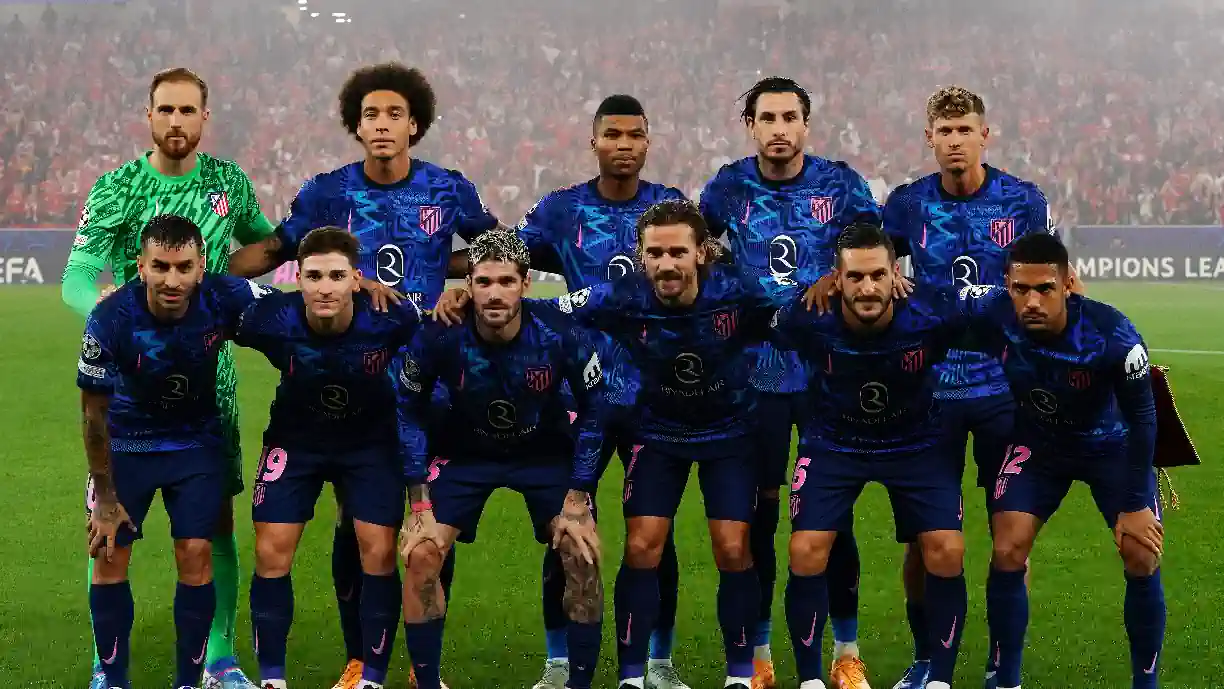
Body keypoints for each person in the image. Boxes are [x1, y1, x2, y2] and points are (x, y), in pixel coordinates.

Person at [227, 62, 498, 689]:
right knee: (356, 527)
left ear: (415, 125)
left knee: (430, 528)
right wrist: (203, 271)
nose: (382, 125)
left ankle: (419, 663)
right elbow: (276, 249)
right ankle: (360, 657)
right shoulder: (329, 192)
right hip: (340, 381)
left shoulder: (448, 189)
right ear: (356, 124)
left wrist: (453, 282)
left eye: (395, 115)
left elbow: (490, 248)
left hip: (422, 382)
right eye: (371, 115)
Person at [436, 93, 690, 689]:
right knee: (566, 533)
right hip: (580, 394)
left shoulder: (672, 211)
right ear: (593, 141)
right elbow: (500, 257)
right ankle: (558, 663)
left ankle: (658, 661)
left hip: (658, 395)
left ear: (648, 142)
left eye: (635, 134)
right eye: (613, 134)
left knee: (654, 534)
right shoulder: (560, 210)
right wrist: (459, 288)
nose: (624, 144)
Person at [64, 67, 276, 689]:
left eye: (188, 110)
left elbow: (267, 244)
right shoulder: (118, 187)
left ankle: (219, 656)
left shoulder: (227, 183)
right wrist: (114, 318)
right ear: (148, 115)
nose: (177, 121)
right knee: (109, 531)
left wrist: (236, 285)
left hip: (212, 389)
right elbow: (78, 274)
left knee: (212, 526)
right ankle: (108, 668)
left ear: (205, 117)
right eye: (166, 110)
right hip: (131, 386)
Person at [551, 199, 785, 689]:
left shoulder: (738, 291)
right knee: (642, 546)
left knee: (732, 547)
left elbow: (797, 312)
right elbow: (551, 311)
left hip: (730, 433)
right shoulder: (622, 296)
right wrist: (468, 303)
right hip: (657, 432)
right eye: (655, 253)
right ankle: (633, 677)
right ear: (641, 256)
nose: (666, 264)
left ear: (702, 253)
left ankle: (740, 675)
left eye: (678, 252)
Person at [699, 76, 883, 689]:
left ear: (806, 124)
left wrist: (839, 276)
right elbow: (699, 252)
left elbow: (875, 255)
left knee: (833, 515)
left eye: (790, 117)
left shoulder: (842, 185)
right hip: (754, 377)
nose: (779, 128)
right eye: (767, 118)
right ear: (749, 125)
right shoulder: (727, 187)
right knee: (761, 512)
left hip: (831, 373)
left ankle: (846, 651)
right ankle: (760, 654)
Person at [877, 85, 1055, 689]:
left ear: (986, 135)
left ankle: (1005, 669)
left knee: (1011, 538)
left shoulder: (1024, 202)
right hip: (925, 393)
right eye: (944, 132)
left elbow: (1059, 287)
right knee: (928, 541)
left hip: (1007, 391)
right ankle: (927, 659)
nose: (955, 142)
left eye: (965, 131)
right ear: (929, 137)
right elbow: (874, 272)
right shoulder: (904, 205)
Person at [396, 230, 616, 689]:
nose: (494, 293)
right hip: (465, 453)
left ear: (526, 284)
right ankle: (427, 682)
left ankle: (576, 683)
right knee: (421, 554)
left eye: (506, 282)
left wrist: (579, 495)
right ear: (468, 285)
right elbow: (407, 406)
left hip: (543, 454)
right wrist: (418, 500)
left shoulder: (559, 333)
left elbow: (597, 408)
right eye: (483, 282)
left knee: (582, 552)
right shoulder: (441, 333)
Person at [958, 233, 1164, 689]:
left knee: (1141, 554)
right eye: (1020, 289)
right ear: (1007, 286)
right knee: (1008, 547)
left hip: (1111, 445)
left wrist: (1133, 503)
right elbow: (934, 302)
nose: (1031, 300)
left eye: (1045, 289)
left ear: (1069, 283)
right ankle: (1005, 677)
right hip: (1040, 445)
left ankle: (1145, 683)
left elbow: (1145, 420)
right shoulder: (994, 314)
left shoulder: (1114, 336)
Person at [775, 223, 970, 689]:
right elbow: (744, 331)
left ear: (895, 274)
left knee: (946, 549)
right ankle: (810, 681)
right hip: (834, 444)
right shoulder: (805, 315)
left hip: (916, 444)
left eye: (878, 276)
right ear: (836, 279)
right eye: (856, 277)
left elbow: (1006, 328)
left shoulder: (932, 311)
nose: (867, 288)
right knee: (805, 549)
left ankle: (938, 679)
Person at [232, 228, 423, 689]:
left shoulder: (393, 317)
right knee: (270, 550)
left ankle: (371, 678)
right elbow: (206, 291)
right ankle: (273, 680)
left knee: (377, 552)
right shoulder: (270, 317)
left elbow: (438, 348)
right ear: (297, 278)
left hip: (369, 444)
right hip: (296, 442)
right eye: (314, 276)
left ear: (357, 279)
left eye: (337, 276)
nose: (325, 287)